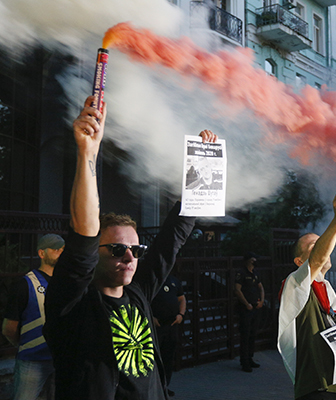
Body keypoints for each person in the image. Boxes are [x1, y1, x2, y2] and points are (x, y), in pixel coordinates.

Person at [43, 95, 217, 400]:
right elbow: (84, 235)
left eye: (136, 251)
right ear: (93, 255)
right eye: (116, 249)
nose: (129, 257)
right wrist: (88, 152)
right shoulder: (72, 304)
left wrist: (200, 168)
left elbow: (172, 238)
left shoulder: (138, 293)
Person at [278, 189, 336, 400]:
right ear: (299, 262)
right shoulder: (294, 283)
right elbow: (316, 260)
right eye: (314, 246)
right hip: (317, 390)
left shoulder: (329, 292)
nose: (324, 250)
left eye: (323, 243)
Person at [2, 234, 64, 400]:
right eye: (56, 249)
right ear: (41, 253)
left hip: (61, 360)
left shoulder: (67, 284)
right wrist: (26, 345)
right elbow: (9, 328)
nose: (61, 252)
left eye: (63, 249)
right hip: (32, 362)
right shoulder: (25, 285)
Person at [151, 274, 187, 397]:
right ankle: (154, 388)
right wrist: (151, 317)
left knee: (168, 357)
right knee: (154, 357)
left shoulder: (174, 280)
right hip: (157, 326)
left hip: (172, 325)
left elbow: (181, 299)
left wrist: (181, 314)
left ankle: (165, 386)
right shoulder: (152, 279)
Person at [234, 252, 265, 372]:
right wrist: (246, 303)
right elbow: (237, 290)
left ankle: (250, 358)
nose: (255, 261)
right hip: (245, 309)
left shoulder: (255, 273)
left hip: (255, 308)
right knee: (245, 335)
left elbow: (260, 287)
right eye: (253, 259)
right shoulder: (241, 273)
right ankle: (244, 361)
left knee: (253, 334)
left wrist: (262, 300)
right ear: (248, 260)